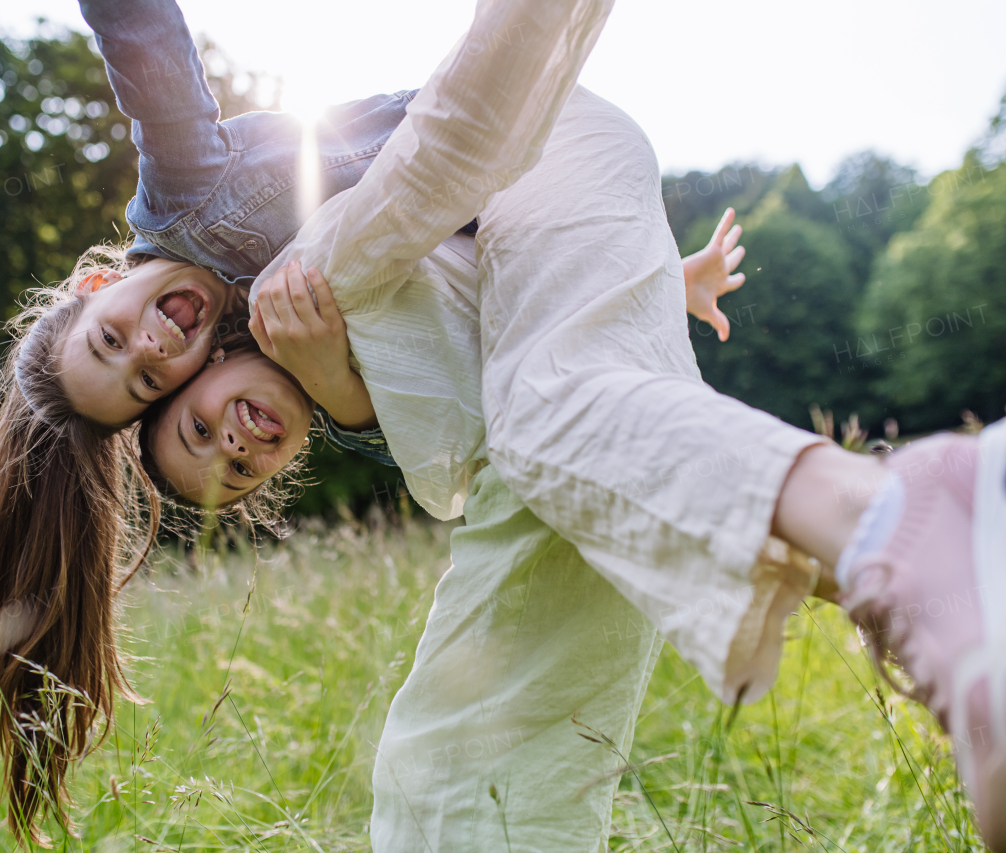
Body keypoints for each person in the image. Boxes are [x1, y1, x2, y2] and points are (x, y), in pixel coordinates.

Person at [141, 1, 1006, 849]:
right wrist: (665, 279)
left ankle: (903, 516)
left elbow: (436, 156)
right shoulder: (372, 400)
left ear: (209, 364)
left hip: (544, 154)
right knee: (527, 553)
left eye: (200, 433)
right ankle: (922, 579)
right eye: (239, 473)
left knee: (541, 420)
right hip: (556, 229)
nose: (237, 447)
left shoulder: (289, 262)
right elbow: (497, 315)